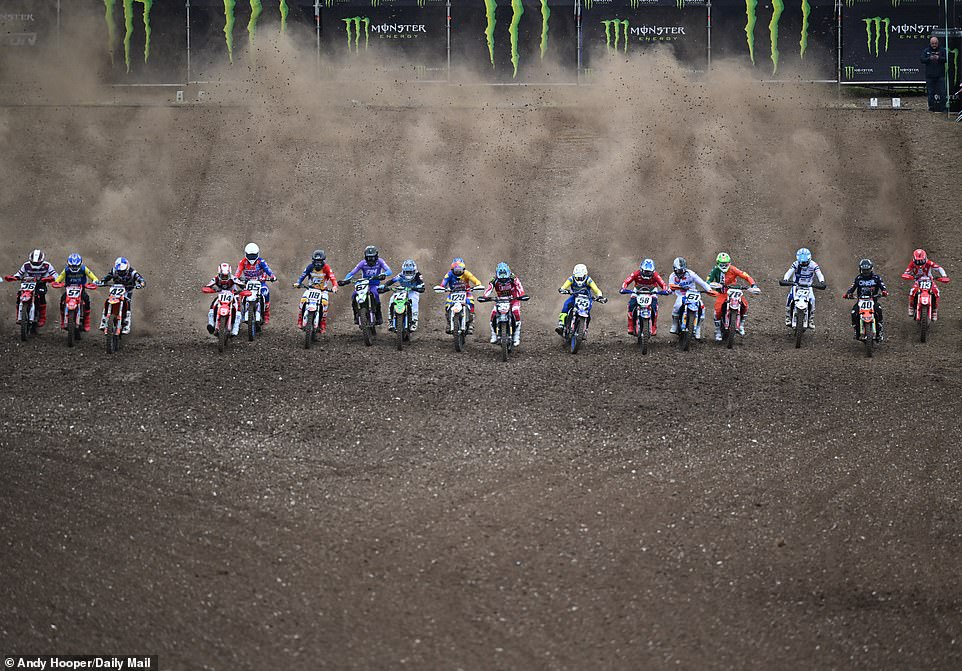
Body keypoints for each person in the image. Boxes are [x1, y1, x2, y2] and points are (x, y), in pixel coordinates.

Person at [706, 252, 760, 341]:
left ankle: (741, 324)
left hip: (734, 291)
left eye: (725, 264)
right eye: (722, 264)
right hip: (722, 293)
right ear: (718, 263)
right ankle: (717, 331)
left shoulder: (733, 269)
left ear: (729, 263)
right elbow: (708, 280)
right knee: (718, 310)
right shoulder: (715, 270)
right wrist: (711, 284)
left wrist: (753, 284)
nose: (724, 266)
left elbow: (745, 275)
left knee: (745, 305)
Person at [4, 249, 57, 328]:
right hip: (28, 283)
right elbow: (19, 273)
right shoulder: (26, 265)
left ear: (42, 261)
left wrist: (50, 278)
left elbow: (55, 274)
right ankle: (19, 315)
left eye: (37, 263)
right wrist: (13, 277)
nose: (35, 265)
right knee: (19, 295)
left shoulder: (47, 265)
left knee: (41, 295)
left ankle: (42, 317)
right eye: (34, 263)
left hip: (40, 284)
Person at [341, 245, 392, 326]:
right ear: (365, 257)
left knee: (375, 294)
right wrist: (345, 280)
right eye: (368, 258)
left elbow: (389, 271)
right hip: (364, 283)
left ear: (376, 256)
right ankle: (356, 315)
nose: (370, 260)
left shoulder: (380, 261)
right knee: (354, 295)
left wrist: (383, 274)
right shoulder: (362, 263)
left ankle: (379, 315)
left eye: (372, 257)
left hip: (374, 283)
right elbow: (352, 273)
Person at [667, 257, 715, 339]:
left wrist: (709, 290)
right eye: (679, 270)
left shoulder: (690, 274)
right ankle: (674, 324)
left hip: (693, 293)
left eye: (682, 270)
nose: (681, 272)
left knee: (702, 307)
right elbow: (671, 288)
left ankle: (698, 328)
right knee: (677, 306)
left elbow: (702, 283)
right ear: (674, 269)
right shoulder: (672, 276)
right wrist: (669, 291)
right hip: (681, 295)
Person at [482, 262, 527, 346]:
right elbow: (489, 288)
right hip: (500, 300)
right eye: (501, 279)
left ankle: (516, 336)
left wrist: (522, 295)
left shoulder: (513, 278)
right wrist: (485, 296)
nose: (503, 281)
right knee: (493, 314)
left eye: (505, 279)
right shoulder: (494, 279)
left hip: (513, 299)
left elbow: (519, 286)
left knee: (516, 312)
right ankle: (494, 335)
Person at [98, 257, 146, 334]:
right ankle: (103, 321)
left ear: (127, 268)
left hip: (127, 290)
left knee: (128, 303)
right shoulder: (113, 271)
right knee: (108, 300)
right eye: (119, 271)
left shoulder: (132, 272)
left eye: (123, 271)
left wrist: (141, 284)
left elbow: (141, 279)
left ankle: (127, 324)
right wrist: (102, 281)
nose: (121, 273)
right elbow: (107, 277)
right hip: (115, 290)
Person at [293, 250, 338, 333]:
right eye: (316, 261)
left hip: (323, 290)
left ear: (323, 261)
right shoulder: (310, 267)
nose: (318, 264)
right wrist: (298, 283)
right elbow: (303, 275)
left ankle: (323, 324)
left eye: (320, 261)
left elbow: (333, 278)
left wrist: (335, 286)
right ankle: (300, 319)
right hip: (310, 289)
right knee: (303, 300)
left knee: (325, 304)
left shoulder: (327, 268)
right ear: (313, 260)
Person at [621, 258, 669, 335]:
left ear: (652, 271)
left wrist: (665, 290)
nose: (647, 274)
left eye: (649, 272)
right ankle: (630, 326)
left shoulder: (655, 275)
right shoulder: (636, 274)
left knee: (654, 307)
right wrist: (623, 288)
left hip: (652, 290)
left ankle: (653, 326)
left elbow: (663, 284)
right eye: (646, 272)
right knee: (631, 305)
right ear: (641, 270)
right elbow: (626, 281)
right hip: (638, 290)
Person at [844, 259, 888, 341]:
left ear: (871, 269)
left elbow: (882, 286)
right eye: (864, 270)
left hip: (873, 299)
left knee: (878, 310)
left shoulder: (876, 278)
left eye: (867, 270)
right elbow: (852, 287)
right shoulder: (858, 278)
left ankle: (880, 330)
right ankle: (856, 330)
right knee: (854, 312)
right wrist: (848, 294)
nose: (866, 272)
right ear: (860, 270)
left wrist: (884, 291)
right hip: (861, 300)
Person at [53, 253, 99, 332]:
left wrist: (95, 281)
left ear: (80, 264)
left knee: (86, 299)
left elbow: (93, 276)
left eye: (76, 266)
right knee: (62, 300)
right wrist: (57, 282)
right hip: (69, 289)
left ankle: (86, 321)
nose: (74, 268)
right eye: (72, 266)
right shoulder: (66, 270)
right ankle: (62, 319)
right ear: (68, 264)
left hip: (81, 288)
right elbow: (59, 278)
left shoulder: (84, 269)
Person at [555, 264, 605, 336]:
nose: (579, 279)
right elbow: (564, 286)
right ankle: (561, 325)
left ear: (585, 274)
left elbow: (596, 290)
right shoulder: (571, 279)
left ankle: (585, 329)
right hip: (575, 296)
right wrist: (562, 289)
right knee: (566, 305)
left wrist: (600, 296)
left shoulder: (588, 280)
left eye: (581, 278)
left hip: (587, 298)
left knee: (587, 313)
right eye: (577, 277)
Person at [782, 248, 826, 328]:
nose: (803, 264)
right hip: (796, 285)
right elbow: (789, 272)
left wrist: (822, 281)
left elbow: (819, 274)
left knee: (812, 299)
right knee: (790, 298)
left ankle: (811, 320)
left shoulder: (814, 265)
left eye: (805, 262)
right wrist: (785, 279)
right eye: (801, 262)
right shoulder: (795, 264)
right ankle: (788, 317)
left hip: (808, 286)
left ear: (809, 259)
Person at [901, 248, 950, 319]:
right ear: (914, 259)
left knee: (937, 292)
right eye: (918, 261)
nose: (920, 263)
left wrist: (944, 275)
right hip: (918, 280)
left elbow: (939, 268)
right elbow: (907, 271)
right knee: (912, 291)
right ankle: (911, 306)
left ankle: (934, 310)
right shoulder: (912, 264)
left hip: (929, 280)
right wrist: (906, 275)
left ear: (925, 258)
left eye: (921, 261)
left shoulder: (929, 263)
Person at [235, 242, 277, 324]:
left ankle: (266, 314)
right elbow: (238, 271)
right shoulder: (243, 262)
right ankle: (241, 313)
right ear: (246, 254)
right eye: (250, 256)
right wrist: (236, 278)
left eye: (253, 256)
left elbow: (267, 269)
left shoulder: (261, 261)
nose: (252, 258)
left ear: (257, 254)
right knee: (241, 296)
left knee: (266, 292)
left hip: (260, 283)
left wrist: (272, 276)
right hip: (248, 283)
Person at [439, 258, 484, 334]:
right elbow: (444, 282)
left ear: (463, 269)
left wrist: (478, 285)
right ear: (452, 269)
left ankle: (471, 323)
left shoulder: (467, 273)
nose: (458, 272)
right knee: (448, 305)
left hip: (466, 292)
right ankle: (449, 323)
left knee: (471, 303)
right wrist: (442, 288)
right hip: (453, 292)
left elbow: (475, 280)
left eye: (460, 270)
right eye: (456, 270)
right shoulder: (449, 274)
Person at [382, 259, 426, 332]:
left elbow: (421, 284)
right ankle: (390, 320)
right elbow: (392, 281)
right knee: (392, 299)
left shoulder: (418, 275)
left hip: (413, 290)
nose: (408, 274)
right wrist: (384, 286)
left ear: (414, 270)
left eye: (410, 272)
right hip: (402, 290)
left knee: (414, 300)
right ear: (403, 270)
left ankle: (414, 321)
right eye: (406, 272)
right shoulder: (400, 275)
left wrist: (420, 287)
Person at [204, 263, 244, 336]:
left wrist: (243, 290)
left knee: (238, 309)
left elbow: (241, 285)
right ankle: (211, 324)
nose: (224, 278)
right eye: (223, 276)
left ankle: (235, 329)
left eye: (226, 276)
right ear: (219, 274)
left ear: (229, 274)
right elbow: (208, 285)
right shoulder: (215, 279)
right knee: (212, 306)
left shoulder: (233, 278)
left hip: (233, 295)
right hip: (221, 296)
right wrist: (210, 289)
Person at [921, 36, 948, 112]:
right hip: (929, 76)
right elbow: (922, 59)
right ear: (930, 43)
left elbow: (945, 59)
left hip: (940, 76)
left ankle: (943, 108)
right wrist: (929, 58)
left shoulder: (942, 50)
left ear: (938, 43)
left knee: (942, 92)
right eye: (932, 43)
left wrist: (938, 58)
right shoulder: (926, 50)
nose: (934, 45)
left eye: (935, 43)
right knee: (930, 93)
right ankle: (931, 107)